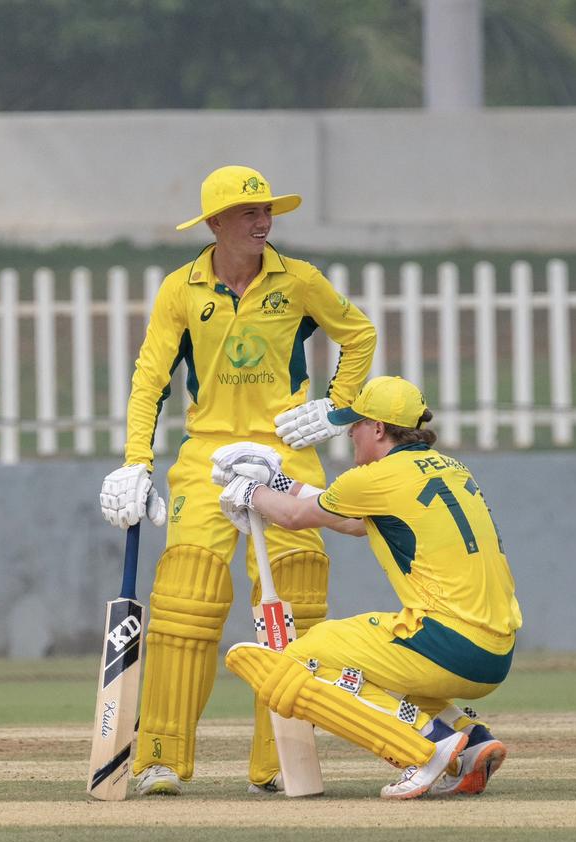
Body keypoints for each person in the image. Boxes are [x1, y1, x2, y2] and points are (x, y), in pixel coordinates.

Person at [99, 164, 376, 796]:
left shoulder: (299, 280)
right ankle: (160, 759)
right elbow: (151, 379)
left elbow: (359, 335)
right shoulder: (181, 289)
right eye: (250, 213)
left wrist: (336, 410)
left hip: (286, 453)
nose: (263, 222)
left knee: (297, 595)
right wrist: (135, 460)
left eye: (267, 211)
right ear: (216, 223)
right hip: (207, 452)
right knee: (186, 599)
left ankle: (278, 761)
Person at [219, 375, 522, 799]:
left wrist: (248, 490)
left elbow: (292, 518)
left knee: (304, 656)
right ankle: (469, 741)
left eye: (354, 427)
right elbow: (355, 519)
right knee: (375, 661)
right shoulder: (450, 468)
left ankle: (427, 746)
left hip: (450, 640)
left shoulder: (377, 477)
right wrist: (278, 483)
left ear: (378, 429)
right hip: (496, 650)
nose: (350, 437)